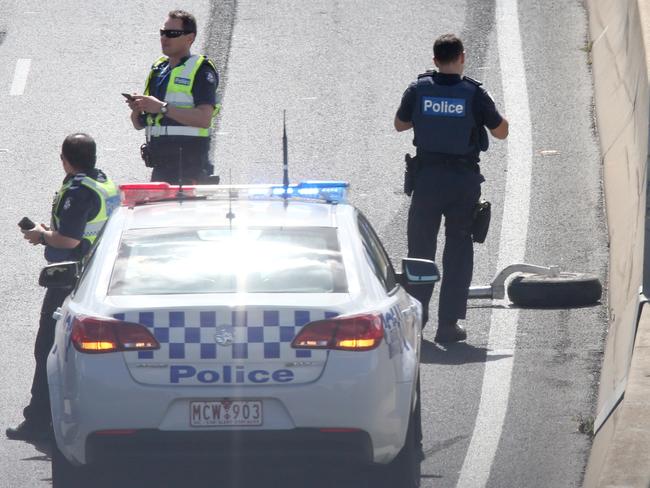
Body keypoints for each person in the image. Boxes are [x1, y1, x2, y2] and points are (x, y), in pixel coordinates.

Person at [394, 34, 509, 343]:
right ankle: (448, 325)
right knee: (458, 250)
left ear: (434, 60)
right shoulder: (474, 94)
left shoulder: (418, 90)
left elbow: (400, 124)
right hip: (462, 183)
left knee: (420, 253)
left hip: (427, 182)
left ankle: (416, 320)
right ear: (462, 57)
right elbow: (501, 131)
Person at [6, 133, 119, 441]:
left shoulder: (79, 191)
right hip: (96, 274)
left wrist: (41, 236)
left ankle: (39, 420)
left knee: (47, 348)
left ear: (65, 159)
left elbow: (68, 240)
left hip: (68, 278)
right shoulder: (104, 183)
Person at [126, 9, 220, 184]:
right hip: (160, 167)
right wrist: (138, 109)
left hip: (190, 167)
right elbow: (139, 124)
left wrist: (162, 107)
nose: (165, 38)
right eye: (163, 32)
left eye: (172, 33)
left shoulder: (201, 70)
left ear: (190, 38)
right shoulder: (158, 69)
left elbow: (204, 119)